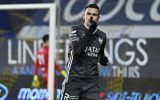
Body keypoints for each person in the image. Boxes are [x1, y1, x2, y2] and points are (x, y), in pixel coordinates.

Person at [61, 4, 108, 100]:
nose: (91, 17)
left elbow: (100, 55)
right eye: (88, 14)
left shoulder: (102, 36)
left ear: (98, 18)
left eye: (94, 15)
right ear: (84, 16)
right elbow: (78, 51)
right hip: (74, 80)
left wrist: (103, 59)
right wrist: (91, 30)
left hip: (91, 83)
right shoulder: (75, 30)